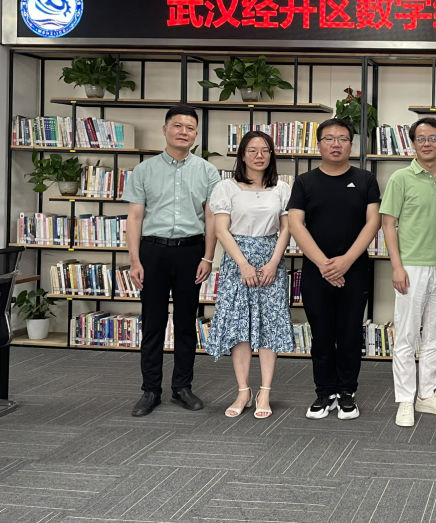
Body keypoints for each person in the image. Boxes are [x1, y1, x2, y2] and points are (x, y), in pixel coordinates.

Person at [124, 104, 220, 417]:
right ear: (165, 129)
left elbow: (211, 217)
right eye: (177, 126)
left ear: (196, 134)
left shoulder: (207, 171)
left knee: (185, 322)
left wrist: (208, 257)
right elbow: (135, 217)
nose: (183, 132)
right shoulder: (144, 170)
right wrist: (135, 260)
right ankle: (150, 390)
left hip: (191, 252)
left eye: (190, 128)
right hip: (153, 251)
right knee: (153, 323)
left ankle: (182, 387)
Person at [288, 118, 380, 421]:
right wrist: (325, 264)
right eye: (329, 138)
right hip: (316, 271)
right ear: (319, 145)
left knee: (350, 332)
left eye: (342, 138)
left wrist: (345, 261)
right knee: (322, 333)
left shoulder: (366, 179)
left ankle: (347, 391)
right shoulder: (305, 181)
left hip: (355, 269)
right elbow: (295, 224)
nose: (336, 144)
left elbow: (373, 222)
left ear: (351, 145)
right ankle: (325, 392)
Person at [205, 131, 293, 419]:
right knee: (238, 325)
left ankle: (264, 391)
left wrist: (273, 262)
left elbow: (287, 229)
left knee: (269, 325)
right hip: (236, 260)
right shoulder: (226, 187)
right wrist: (243, 264)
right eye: (252, 150)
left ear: (272, 155)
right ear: (242, 155)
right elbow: (221, 230)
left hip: (271, 259)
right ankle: (243, 391)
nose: (259, 155)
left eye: (265, 150)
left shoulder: (282, 188)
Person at [380, 117, 436, 427]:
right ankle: (405, 399)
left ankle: (427, 395)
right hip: (410, 267)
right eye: (421, 138)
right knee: (406, 336)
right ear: (413, 143)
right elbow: (388, 224)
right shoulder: (401, 178)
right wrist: (397, 266)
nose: (427, 143)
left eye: (433, 138)